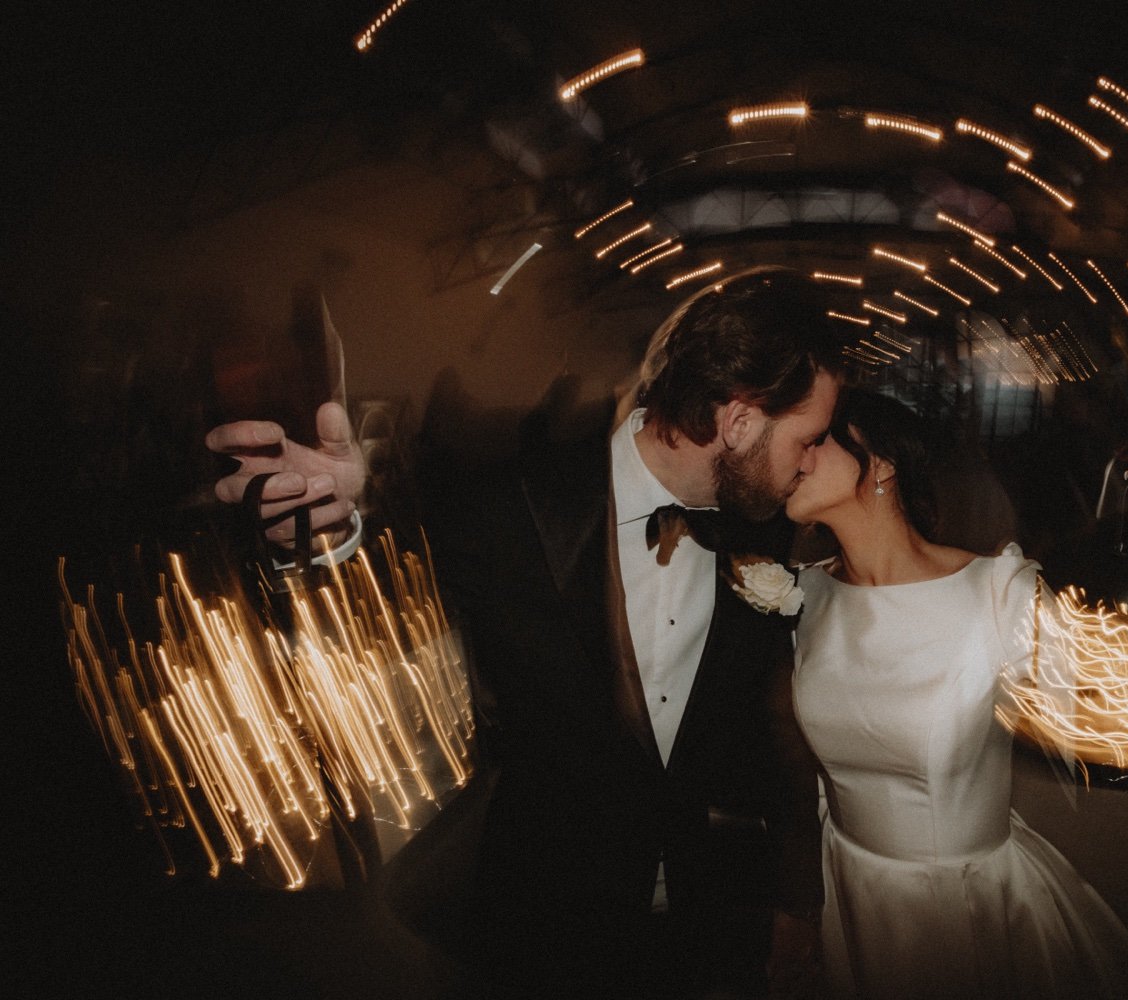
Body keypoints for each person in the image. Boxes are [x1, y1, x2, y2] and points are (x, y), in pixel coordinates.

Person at [205, 268, 843, 998]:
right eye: (810, 439)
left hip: (706, 920)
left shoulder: (767, 536)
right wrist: (339, 529)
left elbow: (780, 736)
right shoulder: (514, 504)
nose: (814, 461)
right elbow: (380, 637)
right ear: (739, 423)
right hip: (543, 922)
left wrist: (797, 900)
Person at [784, 388, 1128, 1000]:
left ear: (882, 462)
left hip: (960, 914)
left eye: (816, 440)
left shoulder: (998, 595)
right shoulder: (803, 593)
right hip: (846, 892)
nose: (793, 455)